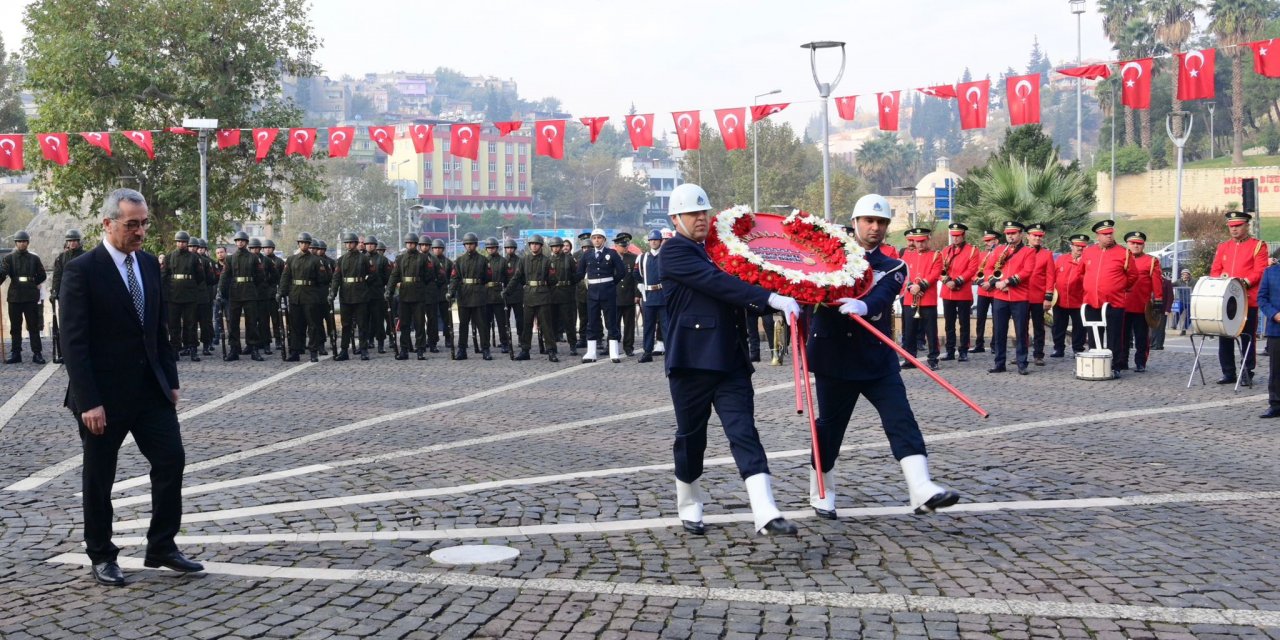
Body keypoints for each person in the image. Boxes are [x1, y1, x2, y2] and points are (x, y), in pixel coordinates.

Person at [60, 188, 202, 586]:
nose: (140, 231)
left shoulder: (148, 265)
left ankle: (162, 546)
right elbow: (73, 341)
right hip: (102, 398)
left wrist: (169, 380)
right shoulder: (82, 270)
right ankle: (102, 554)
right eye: (131, 224)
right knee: (100, 475)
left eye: (143, 224)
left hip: (150, 391)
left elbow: (158, 328)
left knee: (171, 460)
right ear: (107, 224)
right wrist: (89, 401)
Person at [806, 193, 959, 519]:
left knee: (900, 418)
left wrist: (863, 305)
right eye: (869, 221)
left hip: (876, 358)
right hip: (833, 356)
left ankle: (921, 488)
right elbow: (806, 284)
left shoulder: (894, 265)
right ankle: (822, 489)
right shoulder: (826, 257)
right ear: (855, 223)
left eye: (881, 222)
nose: (874, 227)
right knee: (830, 428)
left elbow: (882, 295)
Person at [661, 183, 800, 536]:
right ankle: (690, 502)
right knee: (692, 438)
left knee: (744, 432)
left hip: (731, 359)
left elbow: (739, 282)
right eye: (693, 214)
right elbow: (717, 283)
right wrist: (769, 298)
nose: (700, 219)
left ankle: (765, 510)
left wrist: (788, 287)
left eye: (704, 212)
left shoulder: (720, 250)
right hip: (692, 361)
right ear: (675, 218)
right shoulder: (674, 252)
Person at [1210, 211, 1268, 385]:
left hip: (1247, 298)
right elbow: (1215, 270)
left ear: (1246, 226)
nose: (1234, 229)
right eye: (1231, 226)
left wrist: (1245, 282)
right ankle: (1228, 372)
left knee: (1247, 336)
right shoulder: (1223, 247)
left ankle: (1247, 371)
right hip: (1226, 299)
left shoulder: (1258, 246)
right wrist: (1219, 282)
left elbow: (1260, 270)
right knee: (1225, 335)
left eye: (1238, 226)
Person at [1079, 219, 1138, 378]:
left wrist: (1119, 286)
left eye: (1110, 233)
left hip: (1114, 302)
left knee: (1114, 336)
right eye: (1105, 234)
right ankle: (1096, 364)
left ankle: (1115, 365)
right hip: (1092, 300)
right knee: (1093, 334)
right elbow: (1082, 272)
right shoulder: (1088, 252)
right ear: (1097, 236)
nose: (1109, 237)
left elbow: (1133, 275)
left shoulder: (1124, 253)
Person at [985, 221, 1034, 375]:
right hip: (1000, 295)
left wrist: (1008, 281)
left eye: (1013, 233)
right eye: (1008, 233)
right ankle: (999, 363)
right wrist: (996, 282)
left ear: (1020, 234)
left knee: (1021, 332)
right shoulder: (999, 249)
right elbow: (988, 268)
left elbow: (1027, 271)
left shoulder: (1028, 251)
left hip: (1019, 296)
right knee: (999, 331)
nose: (1010, 236)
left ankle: (1022, 363)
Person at [278, 233, 331, 362]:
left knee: (312, 325)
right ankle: (295, 351)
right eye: (302, 242)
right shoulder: (291, 259)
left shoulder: (315, 260)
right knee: (295, 325)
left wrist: (317, 296)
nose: (304, 245)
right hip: (295, 296)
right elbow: (285, 278)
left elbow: (322, 280)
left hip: (310, 296)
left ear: (309, 244)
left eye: (306, 243)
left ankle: (313, 351)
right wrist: (281, 292)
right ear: (298, 244)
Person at [578, 228, 627, 362]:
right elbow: (580, 273)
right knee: (592, 322)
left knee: (611, 322)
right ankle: (591, 352)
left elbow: (621, 271)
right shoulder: (587, 254)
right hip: (592, 292)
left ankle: (613, 352)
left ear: (604, 240)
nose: (597, 240)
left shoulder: (611, 253)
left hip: (608, 292)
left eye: (599, 238)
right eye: (594, 238)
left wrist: (611, 283)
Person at [507, 235, 558, 361]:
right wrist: (507, 290)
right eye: (532, 244)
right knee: (527, 324)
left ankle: (551, 350)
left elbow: (553, 280)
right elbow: (517, 277)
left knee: (546, 325)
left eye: (536, 244)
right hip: (529, 295)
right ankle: (525, 350)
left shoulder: (547, 261)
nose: (534, 246)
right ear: (529, 246)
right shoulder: (523, 260)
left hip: (543, 295)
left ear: (541, 246)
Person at [0, 230, 48, 364]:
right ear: (16, 243)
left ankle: (37, 353)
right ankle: (16, 353)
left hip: (30, 296)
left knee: (33, 326)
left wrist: (33, 284)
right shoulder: (8, 258)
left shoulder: (34, 258)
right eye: (19, 241)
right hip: (15, 296)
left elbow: (42, 275)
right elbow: (3, 274)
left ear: (28, 243)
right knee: (15, 327)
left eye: (24, 241)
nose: (22, 244)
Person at [217, 231, 264, 361]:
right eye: (238, 240)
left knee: (252, 322)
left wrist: (253, 288)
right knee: (233, 322)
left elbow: (260, 277)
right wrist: (222, 292)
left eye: (242, 240)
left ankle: (253, 348)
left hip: (249, 292)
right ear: (235, 242)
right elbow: (224, 276)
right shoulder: (230, 258)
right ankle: (234, 349)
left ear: (246, 242)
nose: (240, 242)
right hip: (235, 293)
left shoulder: (254, 258)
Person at [1120, 231, 1163, 373]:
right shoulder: (1122, 259)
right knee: (1122, 337)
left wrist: (1158, 300)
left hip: (1142, 306)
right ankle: (1122, 361)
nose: (1136, 246)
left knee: (1141, 337)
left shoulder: (1151, 261)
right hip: (1123, 305)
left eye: (1139, 243)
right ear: (1127, 244)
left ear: (1143, 245)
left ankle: (1140, 362)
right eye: (1133, 243)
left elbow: (1156, 282)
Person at [161, 231, 207, 362]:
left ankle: (192, 349)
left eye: (183, 242)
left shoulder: (194, 258)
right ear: (176, 243)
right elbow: (163, 276)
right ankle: (175, 349)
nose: (181, 244)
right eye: (179, 241)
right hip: (173, 295)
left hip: (190, 296)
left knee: (190, 324)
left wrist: (190, 286)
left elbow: (200, 277)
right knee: (173, 325)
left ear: (187, 243)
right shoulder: (169, 257)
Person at [900, 227, 942, 370]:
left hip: (928, 298)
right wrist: (912, 286)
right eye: (917, 242)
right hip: (910, 298)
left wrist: (921, 286)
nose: (919, 244)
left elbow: (935, 273)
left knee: (931, 331)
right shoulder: (907, 255)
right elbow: (904, 274)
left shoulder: (936, 255)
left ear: (928, 239)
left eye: (922, 241)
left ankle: (933, 358)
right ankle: (910, 358)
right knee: (909, 331)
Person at [330, 232, 375, 361]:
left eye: (351, 242)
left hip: (361, 295)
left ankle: (364, 350)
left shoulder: (364, 258)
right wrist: (333, 292)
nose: (348, 245)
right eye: (347, 243)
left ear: (355, 244)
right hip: (346, 295)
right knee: (346, 325)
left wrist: (364, 282)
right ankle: (344, 350)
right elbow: (336, 278)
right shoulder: (341, 259)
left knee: (362, 324)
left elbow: (372, 274)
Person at [938, 222, 979, 362]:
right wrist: (946, 280)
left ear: (963, 235)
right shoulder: (945, 251)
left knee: (964, 323)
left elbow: (972, 270)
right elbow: (939, 269)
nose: (955, 239)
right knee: (949, 323)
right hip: (947, 291)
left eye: (958, 236)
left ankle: (963, 351)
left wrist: (957, 281)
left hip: (962, 291)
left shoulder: (972, 250)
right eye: (953, 236)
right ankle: (950, 351)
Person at [385, 234, 430, 360]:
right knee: (404, 324)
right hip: (404, 294)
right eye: (408, 243)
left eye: (412, 243)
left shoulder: (423, 258)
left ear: (416, 244)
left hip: (418, 294)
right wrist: (389, 290)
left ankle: (420, 349)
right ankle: (404, 350)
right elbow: (394, 276)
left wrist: (420, 286)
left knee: (419, 324)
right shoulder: (400, 259)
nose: (410, 245)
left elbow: (428, 276)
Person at [449, 233, 493, 360]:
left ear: (476, 245)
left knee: (482, 325)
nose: (469, 246)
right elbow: (454, 278)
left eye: (471, 244)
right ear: (464, 245)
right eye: (467, 244)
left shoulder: (484, 260)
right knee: (463, 325)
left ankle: (486, 349)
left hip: (479, 295)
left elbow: (487, 277)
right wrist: (451, 292)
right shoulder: (459, 261)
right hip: (464, 295)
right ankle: (462, 350)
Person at [1050, 234, 1089, 357]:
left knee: (1079, 327)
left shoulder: (1087, 261)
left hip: (1079, 300)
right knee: (1058, 325)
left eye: (1082, 246)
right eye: (1077, 246)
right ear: (1071, 246)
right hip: (1060, 299)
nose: (1079, 249)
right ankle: (1058, 348)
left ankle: (1078, 348)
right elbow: (1052, 276)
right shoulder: (1061, 259)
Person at [1024, 224, 1057, 366]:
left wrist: (1048, 297)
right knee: (1021, 327)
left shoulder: (1046, 254)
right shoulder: (1021, 252)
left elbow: (1051, 276)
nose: (1037, 238)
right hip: (1022, 297)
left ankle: (1038, 354)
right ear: (1028, 236)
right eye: (1034, 235)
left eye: (1039, 236)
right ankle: (1022, 354)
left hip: (1038, 297)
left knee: (1038, 327)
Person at [636, 229, 668, 363]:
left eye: (656, 239)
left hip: (663, 295)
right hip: (648, 296)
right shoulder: (642, 257)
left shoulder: (666, 256)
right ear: (648, 242)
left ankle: (670, 353)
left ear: (660, 241)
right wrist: (641, 290)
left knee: (666, 326)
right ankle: (647, 352)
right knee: (648, 326)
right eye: (651, 240)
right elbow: (636, 275)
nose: (653, 242)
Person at [548, 237, 580, 356]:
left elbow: (576, 275)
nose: (555, 248)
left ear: (561, 247)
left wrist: (571, 287)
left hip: (566, 293)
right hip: (552, 294)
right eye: (553, 246)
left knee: (569, 322)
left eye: (557, 246)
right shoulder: (548, 260)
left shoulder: (569, 259)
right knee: (551, 322)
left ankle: (573, 345)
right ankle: (551, 346)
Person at [970, 230, 1000, 354]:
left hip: (995, 290)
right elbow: (975, 272)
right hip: (983, 290)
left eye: (989, 240)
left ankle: (994, 344)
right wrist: (981, 282)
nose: (987, 243)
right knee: (980, 318)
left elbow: (1002, 271)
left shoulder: (1001, 253)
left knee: (996, 319)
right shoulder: (981, 254)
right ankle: (979, 344)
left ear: (996, 241)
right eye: (986, 241)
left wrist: (991, 283)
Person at [1257, 257, 1280, 418]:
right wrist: (1275, 314)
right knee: (1276, 369)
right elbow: (1262, 298)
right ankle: (1276, 404)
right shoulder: (1270, 273)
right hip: (1276, 328)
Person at [484, 237, 512, 354]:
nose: (491, 249)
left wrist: (506, 291)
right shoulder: (483, 261)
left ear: (497, 248)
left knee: (502, 322)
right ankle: (485, 344)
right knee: (485, 322)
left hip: (499, 294)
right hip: (486, 295)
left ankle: (504, 343)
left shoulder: (504, 261)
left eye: (493, 247)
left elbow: (509, 278)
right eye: (489, 248)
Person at [614, 233, 639, 356]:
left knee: (629, 324)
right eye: (622, 245)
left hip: (629, 296)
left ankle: (628, 346)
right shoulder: (611, 257)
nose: (625, 248)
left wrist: (637, 294)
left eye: (626, 245)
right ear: (616, 246)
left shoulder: (633, 258)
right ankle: (613, 345)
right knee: (614, 324)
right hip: (615, 296)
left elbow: (636, 278)